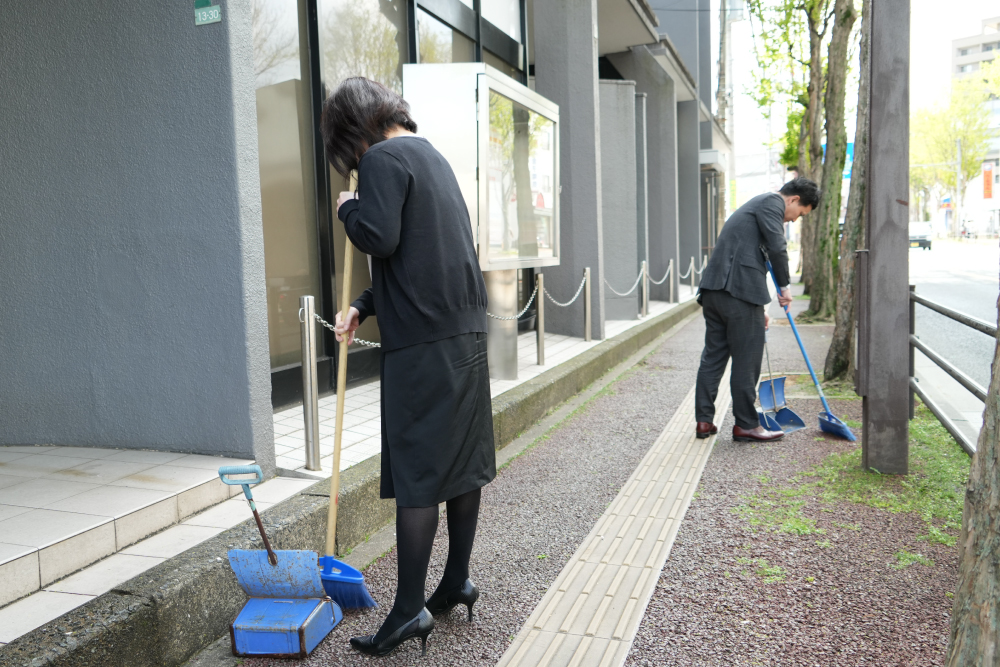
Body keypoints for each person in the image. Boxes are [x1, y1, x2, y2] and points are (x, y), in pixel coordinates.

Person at [321, 77, 495, 657]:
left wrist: (348, 209)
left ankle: (406, 612)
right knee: (462, 463)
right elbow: (425, 255)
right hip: (465, 331)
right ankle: (455, 582)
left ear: (351, 131)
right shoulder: (431, 156)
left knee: (421, 470)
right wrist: (363, 306)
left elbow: (381, 235)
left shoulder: (382, 160)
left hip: (422, 348)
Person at [694, 177, 821, 442]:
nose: (793, 221)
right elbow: (777, 246)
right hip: (736, 292)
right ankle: (746, 424)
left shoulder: (755, 207)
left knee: (714, 357)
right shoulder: (771, 203)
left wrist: (757, 305)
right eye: (799, 215)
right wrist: (785, 287)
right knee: (747, 360)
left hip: (716, 291)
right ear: (794, 199)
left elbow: (746, 253)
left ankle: (704, 421)